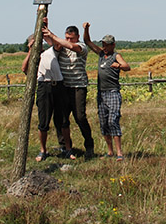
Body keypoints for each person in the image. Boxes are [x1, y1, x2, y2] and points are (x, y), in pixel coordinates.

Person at [42, 23, 94, 159]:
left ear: (77, 37)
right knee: (61, 118)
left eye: (71, 38)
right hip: (64, 87)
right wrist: (46, 26)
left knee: (80, 117)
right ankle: (65, 146)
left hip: (78, 87)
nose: (69, 41)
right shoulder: (61, 47)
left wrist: (52, 35)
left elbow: (71, 46)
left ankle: (89, 145)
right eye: (67, 38)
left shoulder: (81, 47)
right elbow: (51, 41)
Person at [21, 30, 73, 161]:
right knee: (43, 121)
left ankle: (68, 149)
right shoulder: (33, 59)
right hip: (44, 87)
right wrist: (30, 51)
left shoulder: (50, 52)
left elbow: (58, 45)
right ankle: (43, 150)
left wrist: (47, 33)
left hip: (58, 85)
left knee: (63, 120)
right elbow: (24, 69)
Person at [83, 22, 130, 160]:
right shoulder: (100, 54)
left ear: (113, 45)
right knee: (103, 123)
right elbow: (87, 41)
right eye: (103, 44)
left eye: (107, 45)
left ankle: (119, 153)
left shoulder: (116, 56)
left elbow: (127, 67)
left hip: (112, 92)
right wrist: (86, 29)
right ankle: (110, 152)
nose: (104, 47)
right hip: (101, 93)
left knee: (113, 121)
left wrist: (119, 65)